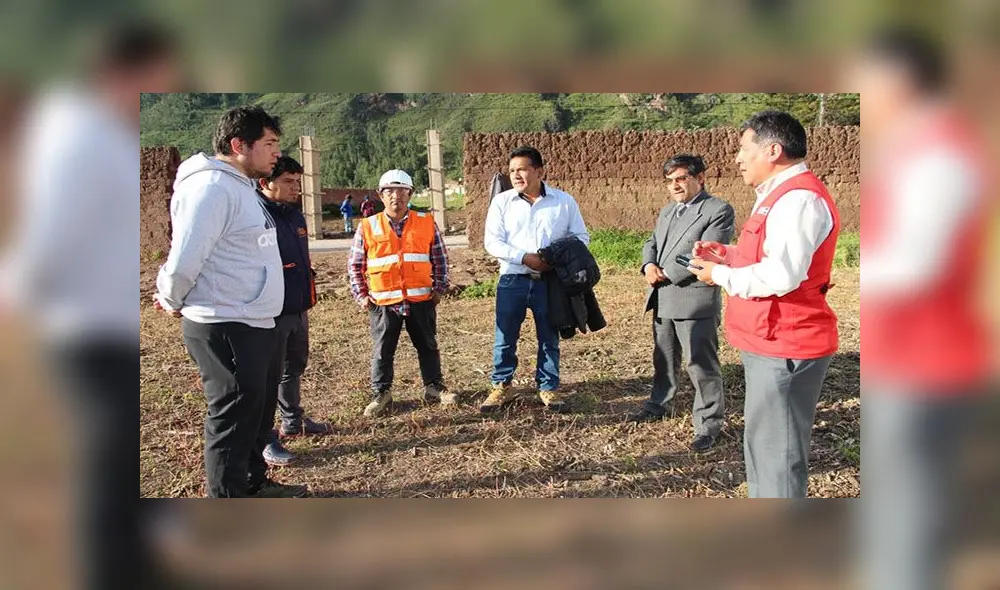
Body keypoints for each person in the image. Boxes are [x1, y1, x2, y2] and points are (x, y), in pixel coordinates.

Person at [851, 29, 994, 590]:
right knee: (897, 502)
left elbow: (919, 264)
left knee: (909, 506)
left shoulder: (940, 155)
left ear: (899, 80)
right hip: (905, 357)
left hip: (928, 363)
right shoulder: (915, 148)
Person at [153, 106, 306, 498]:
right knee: (233, 416)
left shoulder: (238, 186)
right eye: (269, 144)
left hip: (253, 320)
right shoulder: (211, 189)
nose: (276, 153)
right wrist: (171, 297)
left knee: (255, 409)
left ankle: (253, 482)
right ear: (239, 145)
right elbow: (185, 257)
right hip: (225, 322)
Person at [689, 110, 841, 498]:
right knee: (762, 445)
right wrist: (726, 254)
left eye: (744, 149)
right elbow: (766, 256)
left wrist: (718, 275)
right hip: (768, 340)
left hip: (786, 344)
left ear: (773, 150)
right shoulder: (776, 198)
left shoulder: (798, 200)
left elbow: (782, 275)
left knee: (778, 455)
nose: (738, 158)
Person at [631, 154, 735, 452]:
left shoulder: (717, 210)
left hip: (693, 298)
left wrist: (666, 273)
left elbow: (708, 253)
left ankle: (708, 424)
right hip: (662, 296)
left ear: (700, 177)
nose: (674, 186)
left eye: (680, 179)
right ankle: (659, 404)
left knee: (700, 363)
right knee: (663, 357)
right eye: (670, 181)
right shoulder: (668, 211)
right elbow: (651, 243)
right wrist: (648, 266)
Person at [481, 146, 590, 413]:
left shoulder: (563, 202)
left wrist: (553, 256)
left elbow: (581, 238)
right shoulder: (502, 202)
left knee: (549, 335)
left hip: (550, 281)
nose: (516, 175)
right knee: (505, 336)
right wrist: (524, 257)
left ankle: (548, 387)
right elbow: (492, 242)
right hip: (512, 280)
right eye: (512, 170)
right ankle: (502, 386)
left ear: (539, 171)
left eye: (522, 169)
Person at [348, 169, 454, 417]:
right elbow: (355, 265)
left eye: (402, 190)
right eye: (389, 191)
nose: (396, 196)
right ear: (380, 195)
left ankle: (433, 387)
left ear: (410, 193)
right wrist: (362, 296)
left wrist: (438, 288)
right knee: (383, 349)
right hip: (384, 302)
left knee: (428, 345)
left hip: (420, 299)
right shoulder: (367, 226)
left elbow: (440, 258)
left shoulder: (426, 221)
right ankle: (381, 393)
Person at [255, 156, 333, 467]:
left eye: (297, 182)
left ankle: (293, 420)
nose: (295, 188)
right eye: (288, 182)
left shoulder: (295, 215)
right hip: (269, 310)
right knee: (266, 374)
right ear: (265, 183)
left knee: (293, 366)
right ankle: (265, 436)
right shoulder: (256, 215)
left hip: (298, 306)